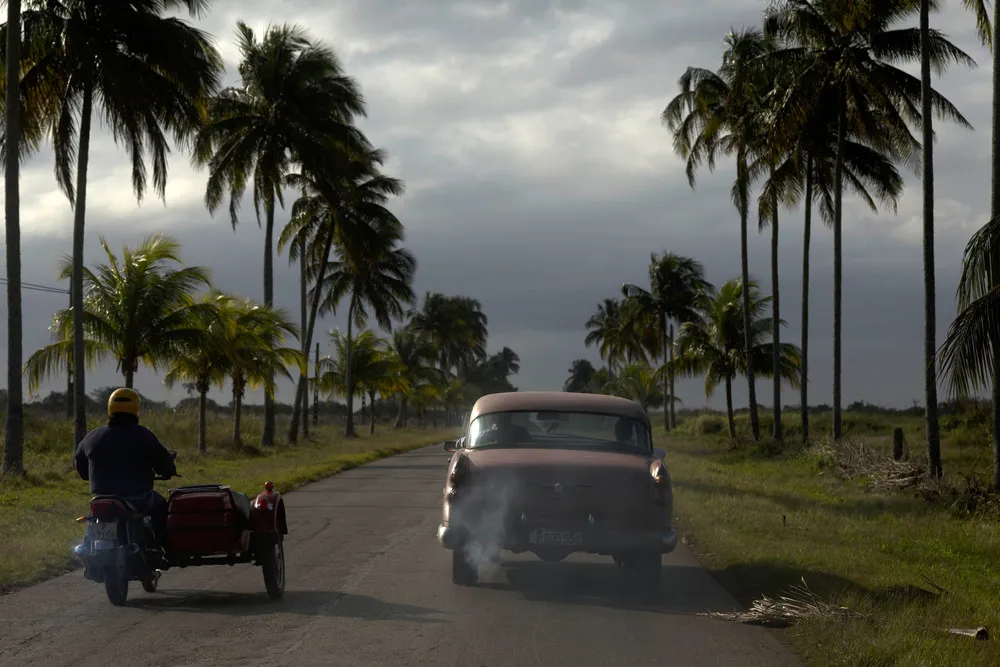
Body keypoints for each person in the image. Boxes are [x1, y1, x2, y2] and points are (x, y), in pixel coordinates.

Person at [74, 387, 177, 550]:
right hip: (137, 497)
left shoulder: (92, 436)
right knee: (162, 506)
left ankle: (89, 547)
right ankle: (165, 549)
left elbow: (81, 468)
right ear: (136, 409)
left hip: (101, 498)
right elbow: (165, 465)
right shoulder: (144, 435)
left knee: (94, 517)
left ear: (110, 408)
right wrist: (168, 471)